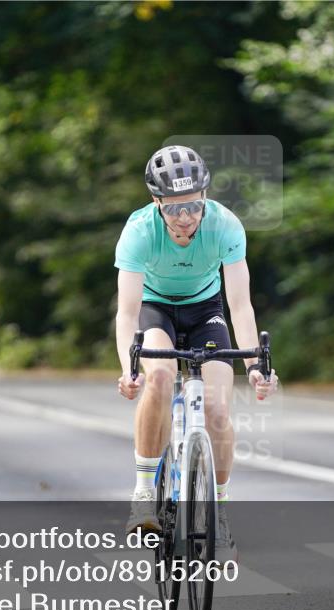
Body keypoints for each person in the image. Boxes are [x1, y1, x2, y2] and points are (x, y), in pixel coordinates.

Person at [114, 145, 278, 563]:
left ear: (205, 196)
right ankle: (143, 496)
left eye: (193, 205)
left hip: (207, 310)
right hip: (155, 308)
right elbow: (127, 312)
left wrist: (256, 367)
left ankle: (218, 515)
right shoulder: (138, 231)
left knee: (219, 410)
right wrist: (127, 369)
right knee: (161, 376)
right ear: (156, 204)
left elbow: (240, 306)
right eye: (173, 209)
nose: (185, 217)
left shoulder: (225, 226)